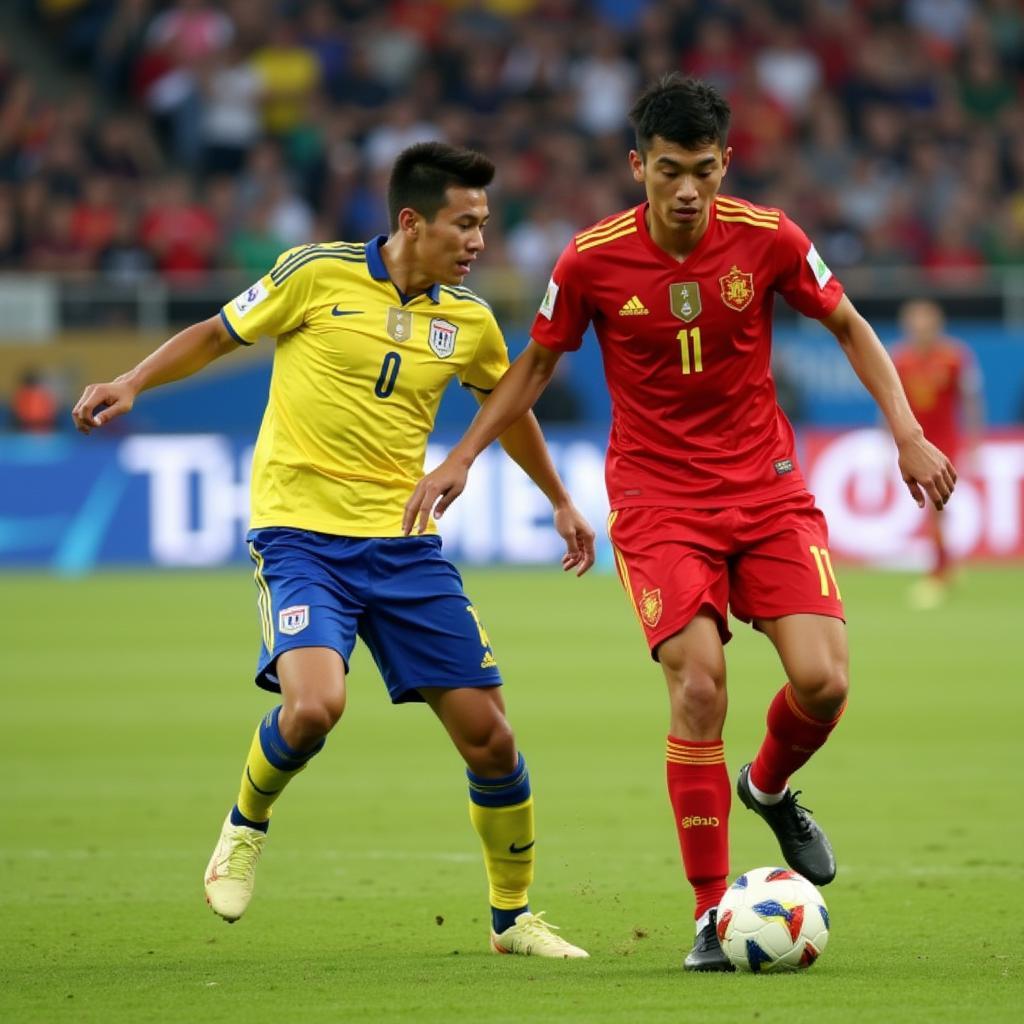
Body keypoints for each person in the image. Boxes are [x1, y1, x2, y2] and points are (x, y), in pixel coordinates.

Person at [403, 76, 956, 972]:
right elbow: (536, 367)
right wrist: (463, 454)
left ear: (725, 163)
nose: (688, 189)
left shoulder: (770, 236)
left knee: (823, 685)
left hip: (768, 491)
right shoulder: (590, 260)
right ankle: (711, 913)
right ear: (639, 167)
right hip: (660, 503)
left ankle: (767, 786)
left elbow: (850, 324)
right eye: (669, 171)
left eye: (703, 169)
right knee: (698, 688)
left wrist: (907, 434)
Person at [72, 141, 596, 959]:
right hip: (300, 534)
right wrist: (134, 380)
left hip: (404, 545)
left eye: (485, 225)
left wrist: (560, 500)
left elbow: (510, 407)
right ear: (412, 221)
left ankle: (512, 918)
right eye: (465, 224)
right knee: (314, 707)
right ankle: (245, 825)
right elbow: (218, 333)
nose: (479, 242)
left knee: (492, 739)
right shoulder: (314, 272)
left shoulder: (468, 320)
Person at [891, 299, 983, 608]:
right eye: (914, 324)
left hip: (946, 444)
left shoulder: (955, 358)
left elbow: (971, 400)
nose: (919, 330)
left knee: (937, 506)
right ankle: (946, 567)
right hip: (917, 443)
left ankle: (939, 572)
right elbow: (890, 401)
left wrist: (974, 442)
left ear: (937, 325)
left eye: (925, 324)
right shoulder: (901, 360)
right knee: (937, 507)